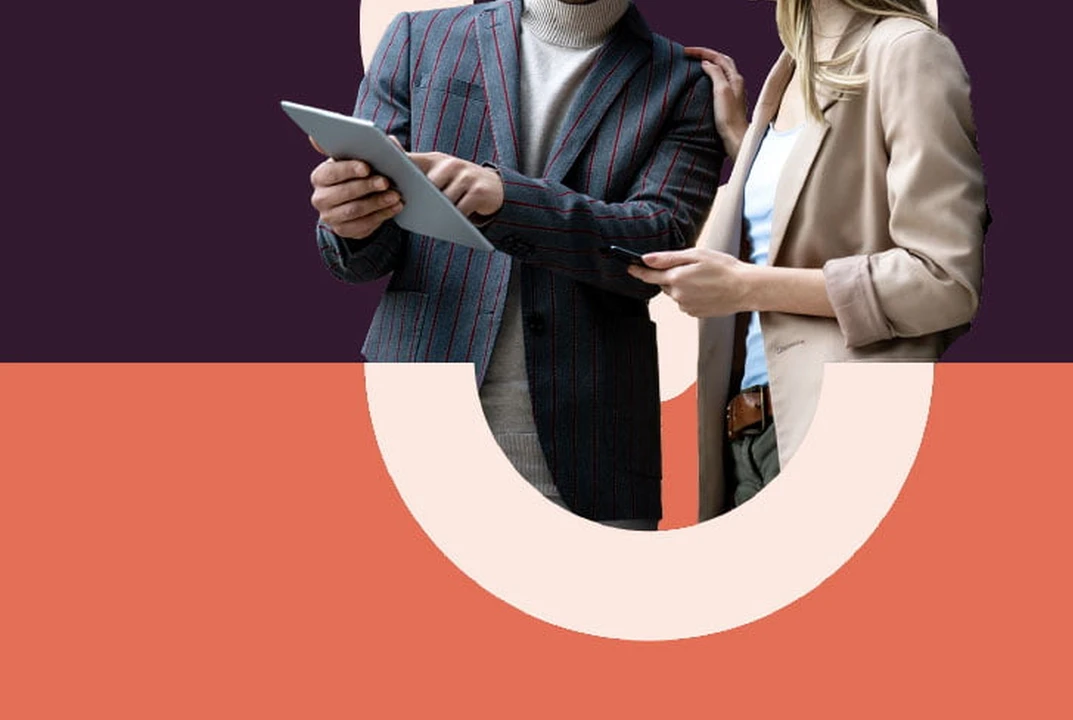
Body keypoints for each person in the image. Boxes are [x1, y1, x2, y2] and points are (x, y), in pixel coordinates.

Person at [307, 0, 724, 529]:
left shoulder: (684, 83)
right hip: (414, 421)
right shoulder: (419, 36)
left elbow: (657, 247)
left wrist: (507, 198)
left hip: (589, 451)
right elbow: (360, 258)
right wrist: (351, 222)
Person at [628, 0, 987, 519]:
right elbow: (804, 216)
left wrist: (748, 287)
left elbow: (943, 281)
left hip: (840, 435)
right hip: (745, 440)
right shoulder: (790, 70)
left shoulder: (908, 53)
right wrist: (744, 141)